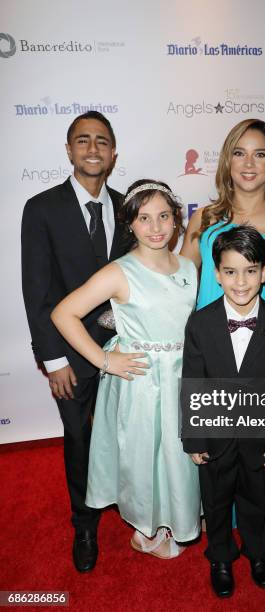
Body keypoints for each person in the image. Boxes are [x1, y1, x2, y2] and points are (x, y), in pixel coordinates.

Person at [51, 180, 201, 560]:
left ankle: (177, 514)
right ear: (129, 224)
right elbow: (63, 313)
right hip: (141, 381)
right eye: (144, 218)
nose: (155, 227)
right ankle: (147, 526)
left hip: (181, 377)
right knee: (144, 455)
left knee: (177, 453)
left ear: (176, 220)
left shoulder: (188, 266)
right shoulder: (120, 272)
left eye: (164, 216)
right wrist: (104, 360)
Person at [21, 111, 124, 572]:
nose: (93, 149)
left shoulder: (127, 208)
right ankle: (84, 524)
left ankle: (128, 504)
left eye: (102, 141)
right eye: (83, 140)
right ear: (69, 150)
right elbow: (37, 290)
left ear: (113, 152)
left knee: (123, 435)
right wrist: (53, 358)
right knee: (79, 438)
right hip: (70, 357)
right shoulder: (41, 208)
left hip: (121, 354)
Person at [182, 226, 265, 598]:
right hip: (213, 438)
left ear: (264, 272)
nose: (241, 281)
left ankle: (259, 552)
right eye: (230, 272)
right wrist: (194, 437)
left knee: (257, 499)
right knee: (215, 502)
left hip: (259, 439)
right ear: (216, 274)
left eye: (250, 270)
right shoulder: (200, 323)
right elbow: (193, 384)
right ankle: (219, 556)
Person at [181, 118, 265, 308]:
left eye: (260, 154)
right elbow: (178, 287)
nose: (249, 164)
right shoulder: (203, 219)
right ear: (227, 160)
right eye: (239, 153)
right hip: (207, 336)